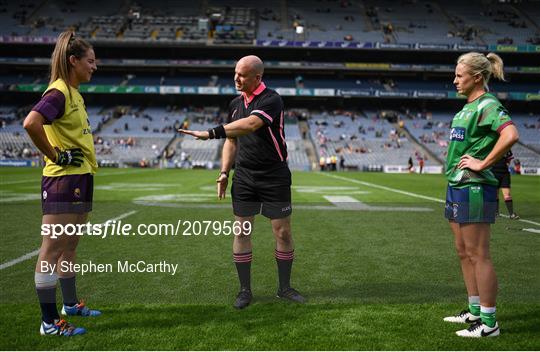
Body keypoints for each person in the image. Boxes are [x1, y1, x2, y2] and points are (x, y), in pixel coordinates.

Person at [179, 55, 305, 309]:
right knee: (242, 231)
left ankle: (284, 287)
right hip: (244, 176)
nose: (236, 78)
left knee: (283, 231)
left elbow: (250, 125)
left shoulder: (271, 99)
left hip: (274, 175)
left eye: (243, 75)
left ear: (257, 78)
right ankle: (245, 290)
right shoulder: (235, 103)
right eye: (235, 73)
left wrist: (209, 133)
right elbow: (232, 140)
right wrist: (224, 172)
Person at [23, 30, 100, 337]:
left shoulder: (73, 92)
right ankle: (48, 321)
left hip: (79, 177)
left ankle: (70, 305)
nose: (94, 67)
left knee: (69, 246)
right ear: (73, 61)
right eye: (90, 61)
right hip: (63, 180)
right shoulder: (58, 92)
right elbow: (31, 123)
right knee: (52, 248)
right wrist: (55, 154)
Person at [443, 52, 519, 337]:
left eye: (459, 76)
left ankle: (489, 323)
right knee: (463, 252)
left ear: (477, 77)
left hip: (474, 186)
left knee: (479, 254)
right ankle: (474, 311)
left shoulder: (487, 104)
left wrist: (483, 162)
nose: (455, 81)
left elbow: (510, 134)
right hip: (457, 184)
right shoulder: (467, 107)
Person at [491, 150, 519, 219]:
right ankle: (496, 213)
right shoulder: (491, 146)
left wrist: (507, 164)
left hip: (504, 174)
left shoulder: (507, 148)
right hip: (493, 173)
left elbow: (509, 158)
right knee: (495, 194)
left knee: (507, 194)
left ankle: (511, 214)